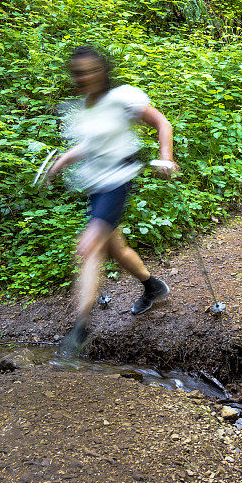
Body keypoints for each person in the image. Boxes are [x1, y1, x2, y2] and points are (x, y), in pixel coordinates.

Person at [42, 46, 178, 355]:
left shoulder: (122, 98)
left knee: (89, 246)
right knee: (116, 250)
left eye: (91, 70)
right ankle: (153, 287)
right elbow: (91, 144)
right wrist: (62, 160)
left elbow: (162, 124)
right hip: (95, 187)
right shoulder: (81, 109)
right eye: (79, 72)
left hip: (118, 180)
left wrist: (166, 158)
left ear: (104, 71)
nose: (85, 76)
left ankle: (79, 330)